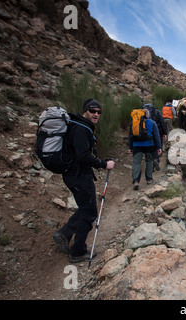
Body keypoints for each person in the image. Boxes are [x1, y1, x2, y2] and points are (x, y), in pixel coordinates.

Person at [53, 99, 115, 263]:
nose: (96, 114)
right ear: (85, 111)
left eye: (98, 112)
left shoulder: (78, 125)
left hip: (74, 174)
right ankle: (78, 251)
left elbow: (82, 153)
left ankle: (65, 233)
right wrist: (103, 164)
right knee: (90, 213)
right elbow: (82, 156)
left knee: (85, 208)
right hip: (78, 175)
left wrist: (101, 160)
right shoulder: (81, 128)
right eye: (92, 111)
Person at [128, 108, 162, 190]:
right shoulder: (152, 122)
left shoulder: (134, 122)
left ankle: (136, 181)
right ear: (148, 114)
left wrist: (130, 147)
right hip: (149, 144)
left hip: (136, 145)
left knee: (137, 162)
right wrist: (159, 147)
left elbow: (130, 135)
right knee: (149, 161)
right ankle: (149, 179)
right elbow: (157, 136)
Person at [145, 103, 167, 171]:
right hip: (158, 132)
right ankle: (156, 159)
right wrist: (164, 133)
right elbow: (162, 122)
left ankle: (150, 166)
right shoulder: (157, 112)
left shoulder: (142, 113)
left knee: (149, 149)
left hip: (146, 133)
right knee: (157, 147)